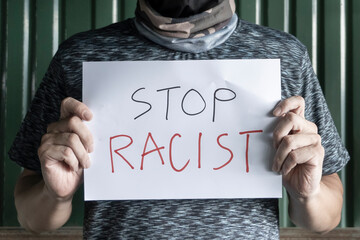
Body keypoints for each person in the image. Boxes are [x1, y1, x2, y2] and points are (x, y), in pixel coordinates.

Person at [10, 0, 349, 239]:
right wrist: (56, 197)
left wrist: (308, 195)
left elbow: (326, 218)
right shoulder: (80, 57)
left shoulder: (284, 55)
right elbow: (33, 218)